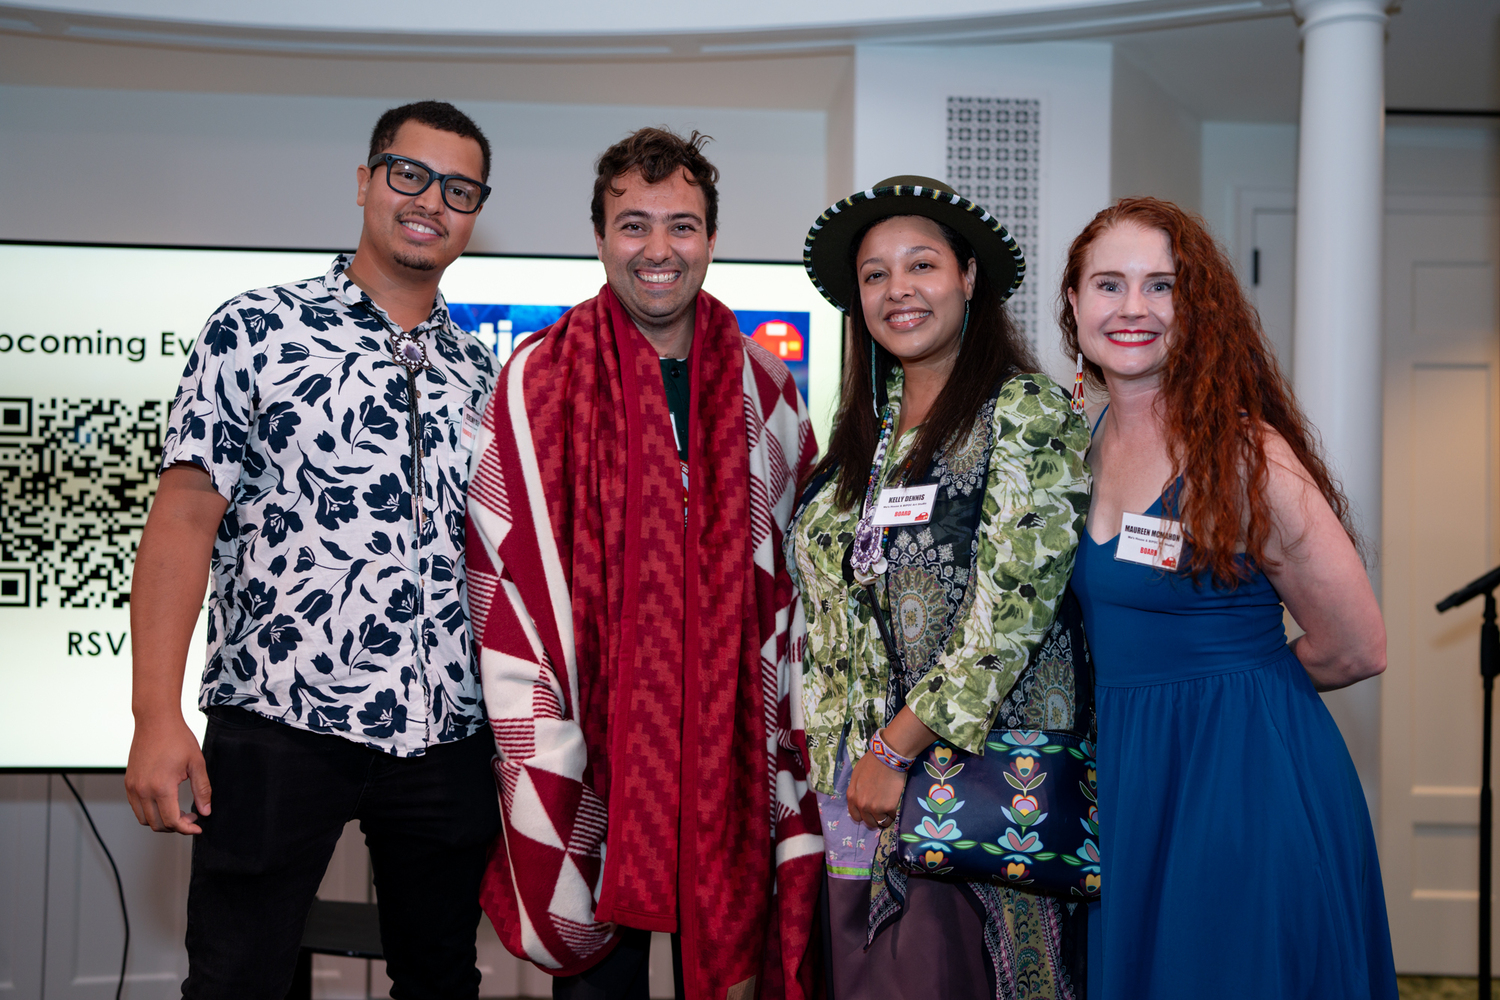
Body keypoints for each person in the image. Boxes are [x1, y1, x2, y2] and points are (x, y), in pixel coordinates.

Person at [124, 100, 502, 999]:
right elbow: (182, 519)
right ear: (366, 181)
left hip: (448, 732)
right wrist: (155, 716)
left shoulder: (487, 373)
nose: (430, 201)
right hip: (279, 720)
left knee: (443, 979)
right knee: (237, 978)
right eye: (409, 173)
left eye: (460, 189)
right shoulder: (253, 329)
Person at [464, 127, 824, 1000]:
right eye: (633, 225)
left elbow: (800, 585)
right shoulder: (539, 381)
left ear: (711, 237)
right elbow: (508, 580)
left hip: (730, 757)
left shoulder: (767, 389)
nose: (658, 250)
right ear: (598, 238)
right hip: (591, 748)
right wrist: (543, 737)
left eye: (683, 225)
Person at [1060, 197, 1398, 998]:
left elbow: (1357, 646)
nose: (1133, 308)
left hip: (1245, 778)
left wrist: (1230, 688)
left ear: (1197, 307)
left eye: (1161, 286)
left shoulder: (1247, 456)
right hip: (1134, 777)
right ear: (1073, 306)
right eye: (1108, 285)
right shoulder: (1069, 447)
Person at [788, 176, 1092, 999]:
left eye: (921, 265)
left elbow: (1012, 610)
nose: (899, 291)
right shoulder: (865, 430)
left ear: (967, 277)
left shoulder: (1026, 412)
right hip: (857, 795)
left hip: (981, 783)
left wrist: (896, 749)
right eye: (876, 275)